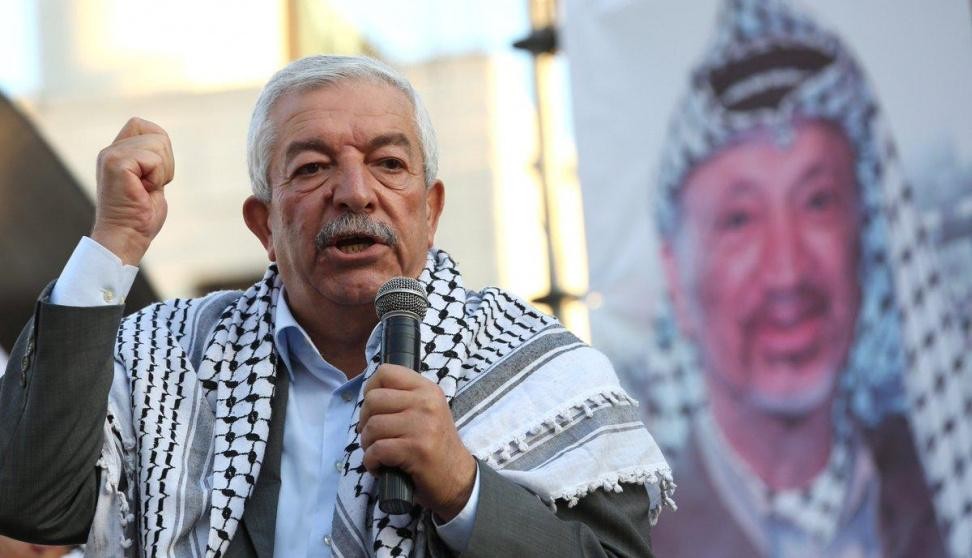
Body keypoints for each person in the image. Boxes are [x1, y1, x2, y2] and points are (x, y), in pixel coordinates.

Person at [0, 55, 673, 557]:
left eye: (388, 163)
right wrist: (115, 240)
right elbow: (34, 505)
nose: (354, 192)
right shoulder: (167, 356)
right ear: (263, 225)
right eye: (312, 168)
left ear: (431, 210)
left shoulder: (541, 374)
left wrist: (462, 488)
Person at [636, 0, 972, 556]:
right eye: (740, 219)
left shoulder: (937, 490)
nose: (787, 271)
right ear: (676, 276)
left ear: (864, 236)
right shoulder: (638, 533)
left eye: (818, 202)